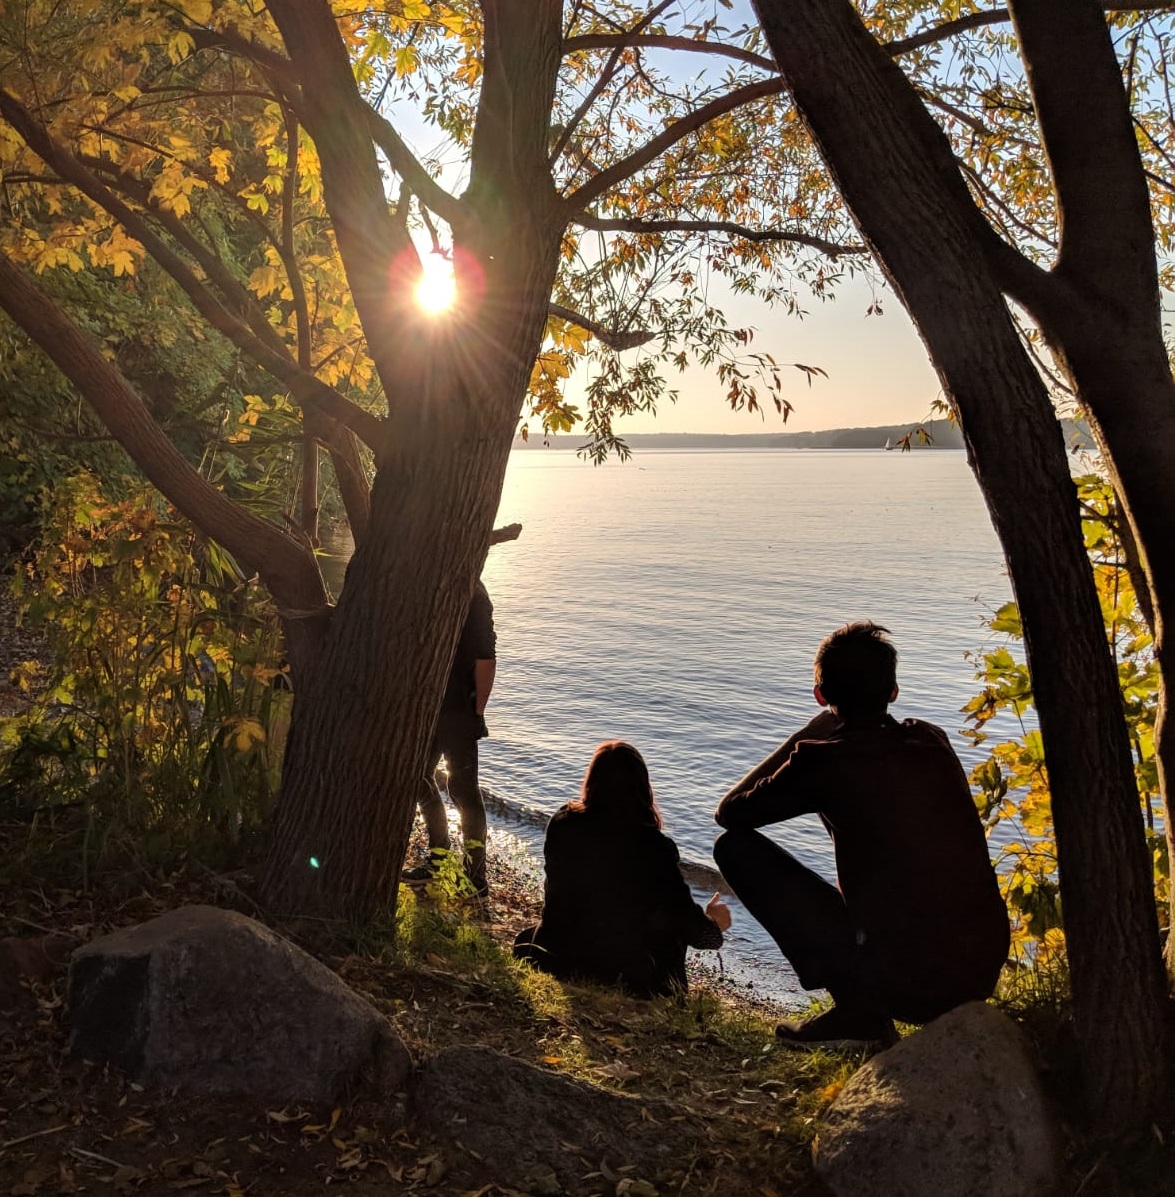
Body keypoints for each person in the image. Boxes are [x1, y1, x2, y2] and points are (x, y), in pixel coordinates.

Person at [713, 621, 1009, 1048]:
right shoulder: (931, 740)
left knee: (735, 849)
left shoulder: (822, 762)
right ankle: (868, 1004)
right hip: (977, 971)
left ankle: (858, 1012)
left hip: (908, 984)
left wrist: (810, 733)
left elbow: (730, 814)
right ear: (893, 691)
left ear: (821, 696)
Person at [514, 741, 732, 997]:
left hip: (557, 952)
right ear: (642, 789)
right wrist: (714, 922)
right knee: (666, 922)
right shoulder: (653, 847)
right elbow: (689, 925)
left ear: (591, 782)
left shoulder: (562, 823)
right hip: (625, 972)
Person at [404, 579, 497, 897]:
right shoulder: (437, 581)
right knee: (419, 779)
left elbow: (486, 658)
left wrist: (476, 712)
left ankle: (475, 877)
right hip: (427, 707)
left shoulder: (476, 595)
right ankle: (439, 857)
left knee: (463, 791)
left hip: (458, 709)